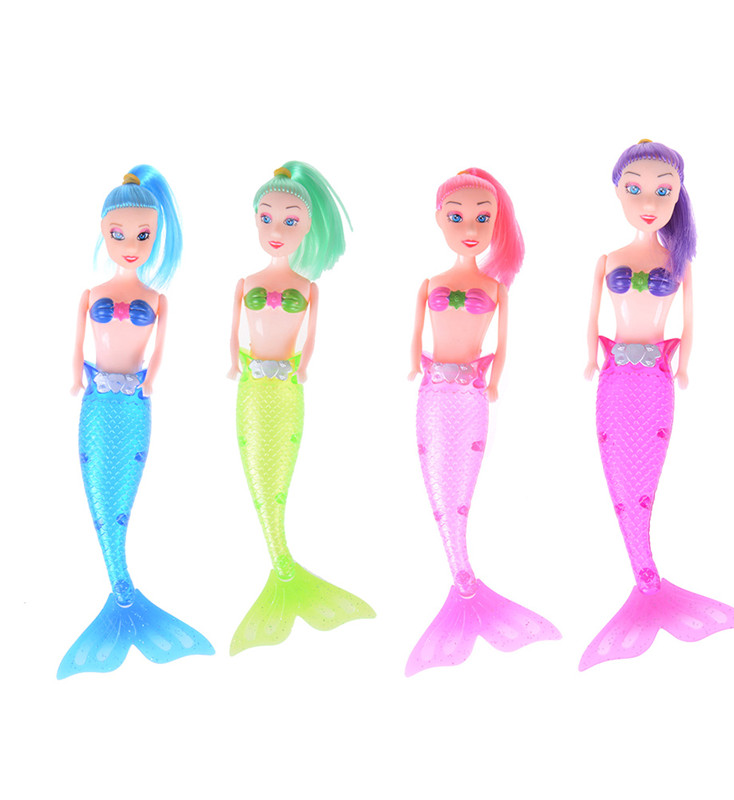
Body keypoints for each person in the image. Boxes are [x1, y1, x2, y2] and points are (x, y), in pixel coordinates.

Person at [580, 140, 734, 671]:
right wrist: (589, 357)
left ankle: (647, 581)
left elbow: (689, 320)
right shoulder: (607, 260)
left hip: (656, 377)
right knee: (619, 478)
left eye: (663, 190)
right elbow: (591, 319)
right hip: (613, 377)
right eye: (634, 189)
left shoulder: (679, 262)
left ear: (678, 196)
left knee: (644, 479)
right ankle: (644, 576)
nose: (649, 201)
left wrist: (684, 364)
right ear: (617, 192)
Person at [59, 166, 213, 679]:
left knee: (122, 497)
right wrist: (74, 377)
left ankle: (123, 598)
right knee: (101, 500)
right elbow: (75, 347)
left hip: (134, 403)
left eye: (144, 235)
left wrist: (150, 383)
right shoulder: (89, 294)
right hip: (96, 402)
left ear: (157, 236)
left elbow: (159, 353)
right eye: (119, 234)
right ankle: (121, 590)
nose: (131, 245)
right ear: (103, 231)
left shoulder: (158, 300)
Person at [406, 168, 560, 677]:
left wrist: (494, 381)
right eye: (457, 217)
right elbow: (415, 337)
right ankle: (462, 577)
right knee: (440, 490)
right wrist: (412, 365)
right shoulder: (430, 283)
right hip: (432, 392)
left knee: (462, 491)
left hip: (473, 393)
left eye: (483, 217)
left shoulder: (496, 287)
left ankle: (465, 583)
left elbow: (504, 342)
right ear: (438, 220)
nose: (470, 227)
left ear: (497, 223)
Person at [228, 161, 374, 654]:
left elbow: (310, 337)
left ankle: (284, 573)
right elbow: (233, 333)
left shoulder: (309, 288)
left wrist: (303, 366)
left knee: (279, 476)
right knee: (258, 477)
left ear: (308, 226)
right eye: (267, 218)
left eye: (291, 220)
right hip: (251, 386)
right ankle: (283, 566)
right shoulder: (244, 282)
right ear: (254, 220)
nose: (277, 229)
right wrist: (233, 363)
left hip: (288, 386)